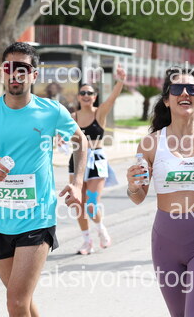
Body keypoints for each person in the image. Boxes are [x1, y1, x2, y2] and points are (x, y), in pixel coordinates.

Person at [0, 42, 87, 317]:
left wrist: (77, 183)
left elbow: (80, 142)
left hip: (37, 219)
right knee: (22, 301)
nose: (15, 74)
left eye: (22, 68)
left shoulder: (51, 111)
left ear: (34, 74)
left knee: (15, 302)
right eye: (9, 67)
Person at [126, 67, 194, 316]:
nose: (185, 93)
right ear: (167, 100)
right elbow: (138, 198)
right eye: (177, 89)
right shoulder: (150, 143)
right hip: (165, 243)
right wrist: (133, 186)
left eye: (192, 89)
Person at [70, 65, 126, 255]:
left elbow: (112, 98)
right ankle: (87, 241)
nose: (86, 95)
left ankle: (101, 230)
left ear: (95, 97)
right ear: (78, 97)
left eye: (90, 93)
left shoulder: (99, 113)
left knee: (91, 204)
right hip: (77, 160)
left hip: (96, 160)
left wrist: (120, 80)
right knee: (78, 203)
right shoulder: (72, 117)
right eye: (83, 93)